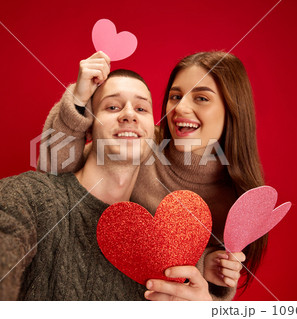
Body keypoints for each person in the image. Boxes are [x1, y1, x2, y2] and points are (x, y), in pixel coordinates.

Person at [0, 69, 213, 300]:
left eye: (142, 109)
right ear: (89, 126)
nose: (129, 115)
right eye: (113, 107)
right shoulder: (32, 196)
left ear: (154, 135)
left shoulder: (158, 246)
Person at [39, 51, 264, 300]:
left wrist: (211, 281)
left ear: (233, 109)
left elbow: (199, 297)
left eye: (201, 98)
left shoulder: (236, 202)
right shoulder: (141, 143)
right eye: (175, 96)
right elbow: (55, 177)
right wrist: (78, 102)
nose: (181, 108)